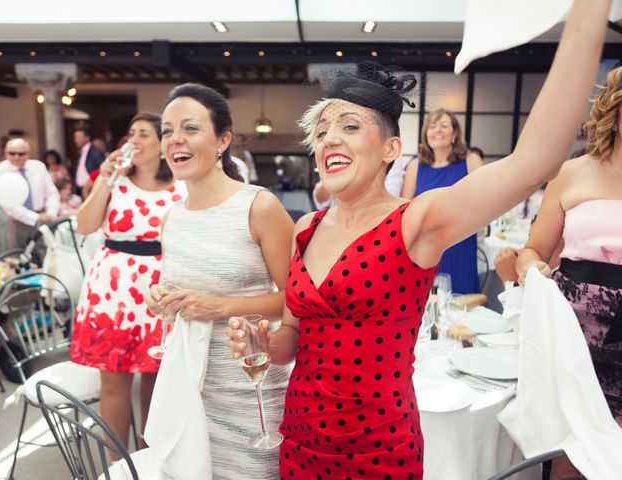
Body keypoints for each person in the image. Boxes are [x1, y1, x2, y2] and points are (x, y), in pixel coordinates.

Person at [225, 2, 609, 477]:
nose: (329, 141)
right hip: (302, 436)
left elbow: (534, 160)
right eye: (321, 132)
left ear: (390, 149)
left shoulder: (416, 222)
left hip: (378, 446)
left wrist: (588, 14)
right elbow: (293, 339)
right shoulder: (305, 230)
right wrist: (261, 343)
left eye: (349, 126)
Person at [144, 83, 293, 478]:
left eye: (190, 128)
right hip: (191, 387)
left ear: (223, 140)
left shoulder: (259, 206)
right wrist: (158, 299)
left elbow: (298, 300)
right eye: (168, 131)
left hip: (253, 386)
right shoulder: (172, 217)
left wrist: (222, 307)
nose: (176, 139)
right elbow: (173, 291)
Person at [516, 63, 622, 479]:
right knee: (571, 456)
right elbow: (533, 249)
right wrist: (531, 269)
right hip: (574, 340)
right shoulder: (573, 172)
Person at [70, 112, 184, 451]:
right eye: (131, 133)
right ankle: (117, 464)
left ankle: (151, 459)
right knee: (114, 380)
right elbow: (85, 225)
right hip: (112, 290)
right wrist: (105, 179)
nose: (134, 139)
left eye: (144, 134)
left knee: (156, 378)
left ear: (163, 144)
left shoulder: (182, 184)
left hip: (160, 288)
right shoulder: (114, 181)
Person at [401, 108, 484, 294]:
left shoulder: (471, 160)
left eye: (444, 126)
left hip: (459, 243)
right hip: (424, 247)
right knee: (425, 306)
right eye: (432, 126)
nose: (437, 130)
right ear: (426, 134)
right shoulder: (415, 166)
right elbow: (404, 210)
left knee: (460, 308)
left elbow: (485, 200)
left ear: (454, 134)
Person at [0, 139, 60, 257]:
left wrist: (51, 213)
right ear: (5, 152)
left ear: (28, 153)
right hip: (13, 221)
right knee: (16, 257)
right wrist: (36, 217)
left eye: (21, 154)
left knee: (45, 254)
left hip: (42, 217)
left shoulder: (38, 166)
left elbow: (52, 193)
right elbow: (8, 204)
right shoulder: (0, 170)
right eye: (12, 153)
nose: (16, 157)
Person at [312, 154, 408, 209]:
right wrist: (333, 177)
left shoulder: (392, 157)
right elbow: (319, 200)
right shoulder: (338, 155)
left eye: (352, 127)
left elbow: (391, 193)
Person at [73, 127, 105, 197]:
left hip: (91, 189)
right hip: (80, 190)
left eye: (79, 137)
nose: (76, 140)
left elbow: (102, 169)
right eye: (75, 137)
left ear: (87, 138)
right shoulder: (81, 152)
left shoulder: (95, 152)